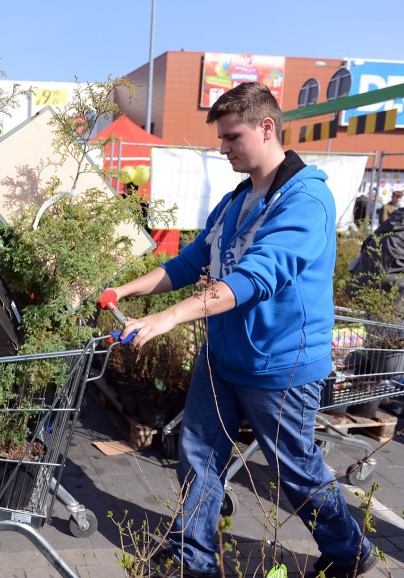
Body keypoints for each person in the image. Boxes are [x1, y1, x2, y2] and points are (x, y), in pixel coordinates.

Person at [100, 82, 376, 578]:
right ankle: (194, 556)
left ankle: (349, 550)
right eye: (221, 139)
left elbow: (255, 278)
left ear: (266, 127)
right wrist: (127, 291)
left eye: (231, 137)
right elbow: (190, 262)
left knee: (293, 468)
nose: (222, 148)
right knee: (199, 452)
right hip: (223, 354)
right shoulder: (237, 200)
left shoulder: (305, 199)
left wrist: (167, 318)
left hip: (279, 363)